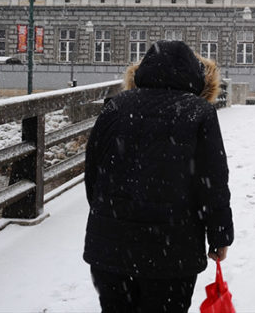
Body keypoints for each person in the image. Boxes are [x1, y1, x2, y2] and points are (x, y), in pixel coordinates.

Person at [83, 40, 233, 313]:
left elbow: (93, 171)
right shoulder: (199, 112)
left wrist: (107, 215)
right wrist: (219, 234)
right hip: (173, 251)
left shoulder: (116, 106)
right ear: (196, 77)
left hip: (111, 248)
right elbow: (212, 182)